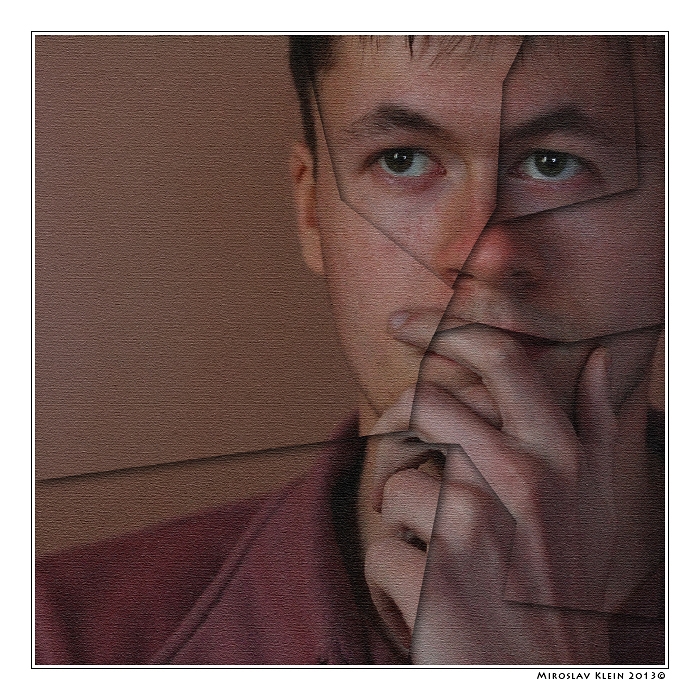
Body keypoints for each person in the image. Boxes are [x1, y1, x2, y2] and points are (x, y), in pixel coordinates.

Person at [35, 34, 665, 665]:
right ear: (311, 211)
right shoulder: (56, 640)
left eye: (554, 164)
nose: (485, 254)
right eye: (402, 161)